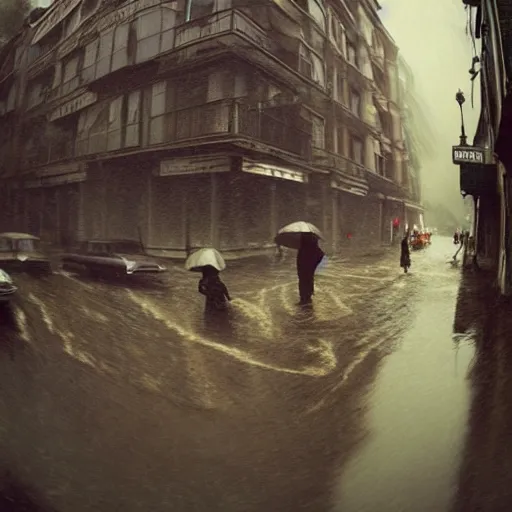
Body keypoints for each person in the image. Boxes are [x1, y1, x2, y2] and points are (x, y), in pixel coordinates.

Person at [297, 233, 325, 305]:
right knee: (306, 279)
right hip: (306, 267)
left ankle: (305, 299)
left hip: (305, 266)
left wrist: (313, 264)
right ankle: (306, 298)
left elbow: (320, 255)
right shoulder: (310, 246)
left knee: (305, 280)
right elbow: (321, 255)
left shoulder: (306, 246)